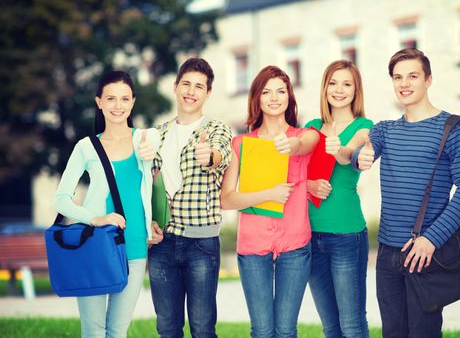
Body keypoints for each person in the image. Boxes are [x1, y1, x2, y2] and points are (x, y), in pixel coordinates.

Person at [353, 48, 460, 337]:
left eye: (412, 76)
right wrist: (359, 154)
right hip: (387, 255)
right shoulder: (386, 131)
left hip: (426, 254)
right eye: (398, 77)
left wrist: (431, 240)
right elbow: (359, 151)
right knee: (393, 333)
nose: (404, 84)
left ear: (428, 80)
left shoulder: (453, 128)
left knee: (424, 332)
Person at [53, 70, 163, 337]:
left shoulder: (144, 140)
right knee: (93, 331)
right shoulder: (86, 147)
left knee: (118, 331)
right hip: (95, 245)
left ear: (133, 102)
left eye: (125, 99)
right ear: (99, 102)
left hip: (135, 246)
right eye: (111, 98)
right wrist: (95, 218)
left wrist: (152, 223)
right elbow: (61, 199)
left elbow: (155, 138)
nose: (118, 106)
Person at [220, 65, 319, 338]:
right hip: (253, 246)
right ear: (257, 98)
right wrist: (269, 194)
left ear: (289, 96)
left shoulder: (303, 137)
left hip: (295, 244)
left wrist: (293, 145)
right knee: (262, 330)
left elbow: (310, 141)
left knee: (286, 330)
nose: (274, 97)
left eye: (281, 91)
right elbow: (226, 200)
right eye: (266, 92)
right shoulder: (241, 144)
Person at [147, 58, 232, 338]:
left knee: (203, 329)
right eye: (186, 84)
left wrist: (210, 156)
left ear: (207, 94)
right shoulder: (158, 134)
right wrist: (149, 222)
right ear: (175, 86)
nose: (191, 91)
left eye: (199, 86)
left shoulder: (216, 128)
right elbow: (147, 184)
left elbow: (221, 154)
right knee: (167, 328)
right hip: (162, 244)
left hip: (201, 244)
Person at [305, 60, 373, 338]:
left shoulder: (364, 127)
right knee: (330, 327)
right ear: (324, 88)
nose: (339, 89)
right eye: (333, 83)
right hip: (310, 235)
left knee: (352, 325)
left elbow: (350, 156)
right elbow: (294, 176)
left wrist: (338, 149)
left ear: (356, 90)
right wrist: (309, 184)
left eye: (347, 84)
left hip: (347, 235)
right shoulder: (310, 127)